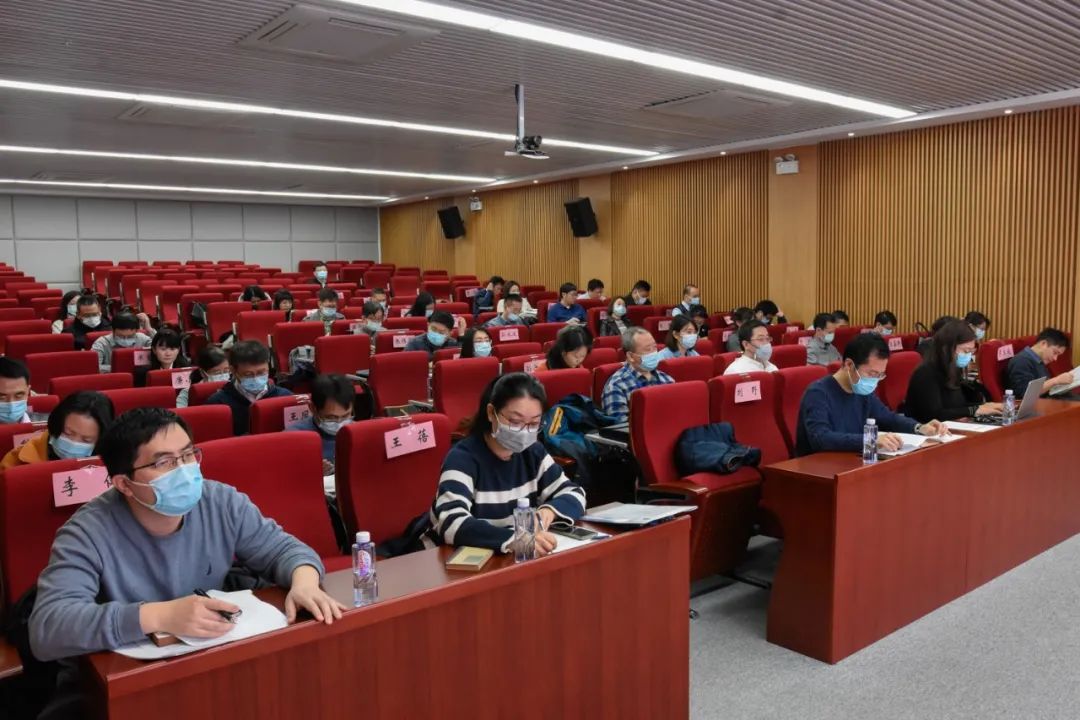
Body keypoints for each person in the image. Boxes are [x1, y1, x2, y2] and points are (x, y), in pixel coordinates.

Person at [29, 408, 343, 716]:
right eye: (163, 462)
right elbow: (48, 628)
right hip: (118, 683)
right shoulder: (87, 531)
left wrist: (304, 583)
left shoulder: (220, 501)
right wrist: (160, 615)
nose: (184, 470)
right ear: (124, 484)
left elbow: (284, 550)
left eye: (188, 454)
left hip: (203, 662)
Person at [429, 373, 586, 554]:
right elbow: (451, 522)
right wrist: (514, 539)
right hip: (456, 558)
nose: (524, 432)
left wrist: (549, 511)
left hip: (512, 558)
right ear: (491, 413)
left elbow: (575, 493)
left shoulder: (533, 452)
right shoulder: (462, 459)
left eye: (534, 423)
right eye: (515, 421)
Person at [796, 333, 945, 456]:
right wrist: (870, 439)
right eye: (872, 374)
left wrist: (919, 427)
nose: (875, 381)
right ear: (849, 365)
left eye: (880, 375)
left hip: (851, 462)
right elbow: (820, 438)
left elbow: (888, 418)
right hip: (818, 469)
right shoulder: (818, 393)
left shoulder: (862, 391)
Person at [904, 320, 1003, 423]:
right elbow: (933, 415)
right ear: (947, 348)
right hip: (926, 429)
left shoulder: (953, 369)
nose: (968, 356)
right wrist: (973, 410)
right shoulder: (925, 373)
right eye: (965, 351)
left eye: (971, 351)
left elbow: (955, 406)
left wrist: (983, 406)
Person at [1, 391, 114, 469]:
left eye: (86, 440)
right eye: (67, 433)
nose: (73, 444)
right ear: (55, 426)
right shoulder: (17, 461)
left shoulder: (112, 464)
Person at [205, 341, 293, 436]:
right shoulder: (218, 403)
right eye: (248, 374)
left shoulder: (285, 397)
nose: (256, 379)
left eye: (261, 373)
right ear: (233, 371)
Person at [601, 327, 675, 422]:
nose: (653, 353)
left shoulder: (666, 379)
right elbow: (621, 426)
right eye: (648, 349)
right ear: (630, 356)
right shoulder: (616, 386)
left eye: (654, 347)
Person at [286, 373, 354, 475]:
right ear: (312, 408)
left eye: (346, 416)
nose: (339, 423)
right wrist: (312, 473)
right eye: (331, 417)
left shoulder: (358, 432)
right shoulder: (293, 438)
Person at [1006, 327, 1075, 398]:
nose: (1055, 358)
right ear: (1043, 344)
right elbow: (1025, 393)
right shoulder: (1021, 361)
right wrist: (1056, 380)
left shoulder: (1039, 361)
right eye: (1055, 352)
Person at [91, 311, 155, 372]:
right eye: (120, 336)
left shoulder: (143, 338)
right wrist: (119, 368)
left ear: (136, 331)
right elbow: (93, 367)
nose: (125, 339)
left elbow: (159, 346)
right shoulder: (101, 343)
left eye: (130, 336)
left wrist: (149, 329)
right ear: (113, 330)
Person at [176, 344, 230, 408]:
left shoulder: (234, 386)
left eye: (226, 371)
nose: (222, 375)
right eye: (216, 372)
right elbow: (179, 412)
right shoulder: (189, 392)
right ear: (203, 373)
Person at [0, 357, 33, 424]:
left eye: (19, 395)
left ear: (28, 392)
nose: (11, 404)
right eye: (1, 397)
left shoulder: (46, 424)